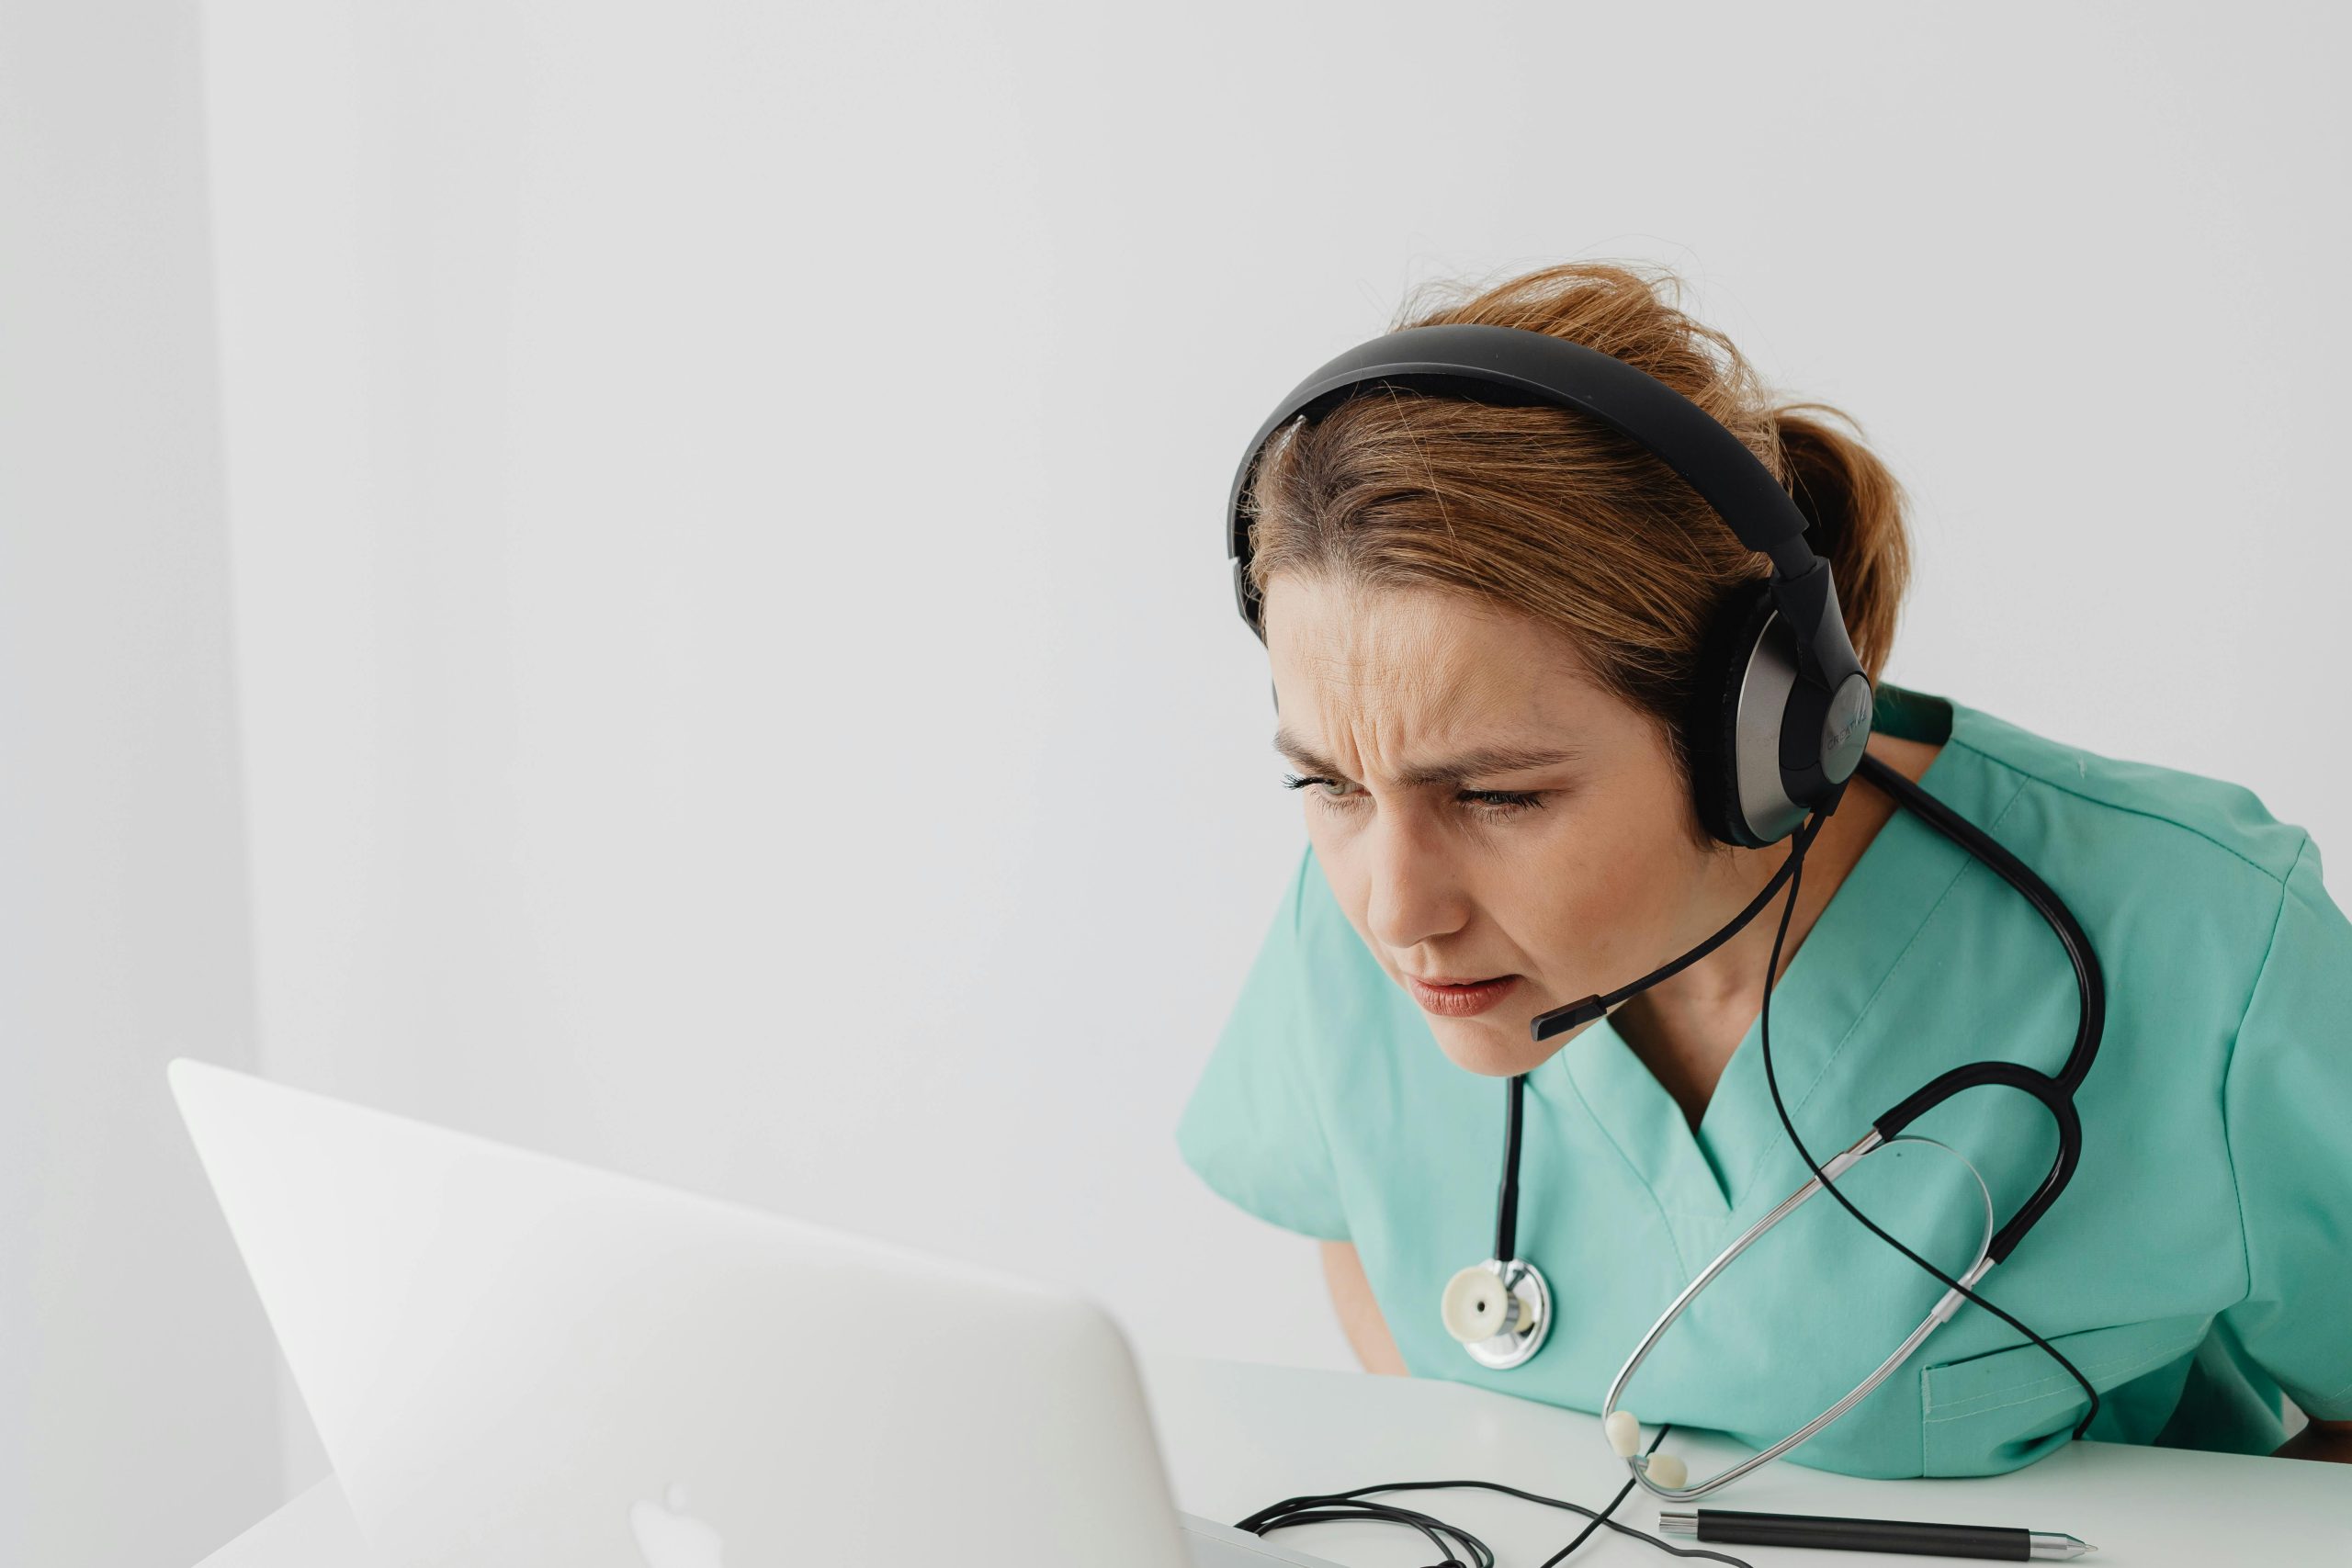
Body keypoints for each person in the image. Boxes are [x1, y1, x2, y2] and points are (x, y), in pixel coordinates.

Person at [1175, 260, 2352, 1477]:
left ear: (1764, 743)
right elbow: (1359, 1229)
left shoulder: (2212, 948)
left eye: (1498, 795)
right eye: (1330, 784)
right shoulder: (1361, 900)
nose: (1394, 909)